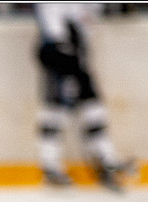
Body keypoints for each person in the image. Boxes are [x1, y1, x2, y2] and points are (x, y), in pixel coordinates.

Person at [34, 2, 134, 190]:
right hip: (60, 47)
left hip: (73, 46)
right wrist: (60, 43)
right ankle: (52, 164)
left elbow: (87, 17)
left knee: (87, 102)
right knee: (61, 105)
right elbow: (49, 12)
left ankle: (105, 157)